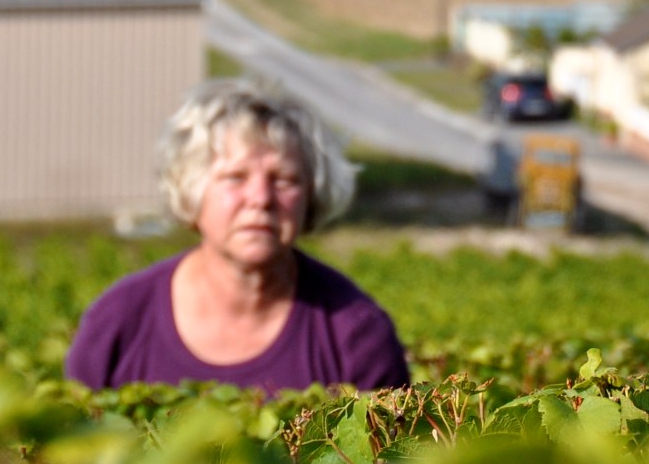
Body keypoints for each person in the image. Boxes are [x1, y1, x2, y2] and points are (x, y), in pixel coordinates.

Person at [67, 80, 410, 392]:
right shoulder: (117, 325)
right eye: (235, 177)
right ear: (191, 193)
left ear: (311, 197)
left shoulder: (356, 334)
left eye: (284, 180)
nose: (260, 199)